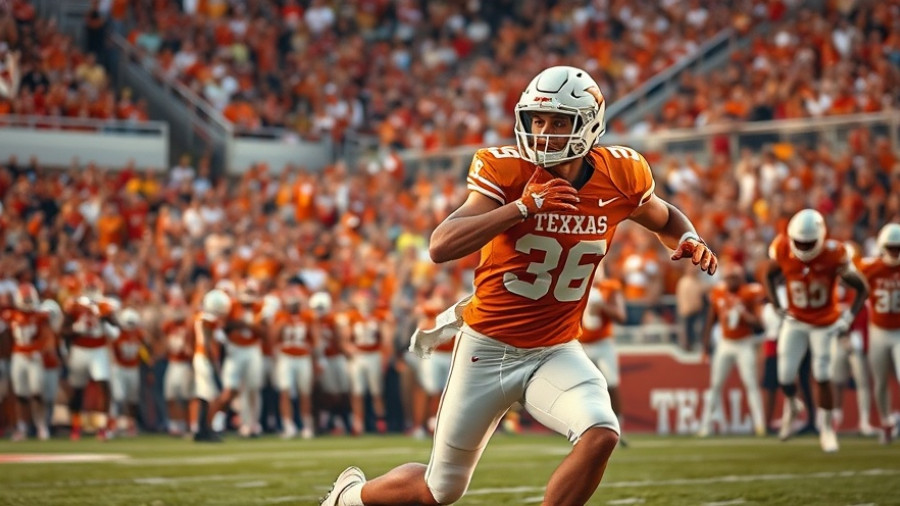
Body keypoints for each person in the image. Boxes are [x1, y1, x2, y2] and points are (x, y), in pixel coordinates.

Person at [321, 65, 717, 506]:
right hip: (486, 348)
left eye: (560, 121)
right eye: (538, 120)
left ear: (590, 123)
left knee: (601, 433)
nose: (545, 133)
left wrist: (687, 238)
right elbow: (440, 245)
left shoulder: (622, 175)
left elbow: (664, 218)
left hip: (555, 349)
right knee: (441, 490)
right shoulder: (509, 171)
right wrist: (522, 208)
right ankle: (349, 498)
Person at [762, 209, 869, 453]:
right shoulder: (782, 248)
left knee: (822, 375)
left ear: (820, 238)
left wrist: (848, 317)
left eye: (808, 243)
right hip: (796, 319)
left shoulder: (835, 254)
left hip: (825, 322)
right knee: (785, 376)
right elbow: (768, 275)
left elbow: (862, 288)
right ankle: (792, 405)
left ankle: (828, 428)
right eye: (799, 242)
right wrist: (777, 306)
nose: (803, 247)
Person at [697, 264, 766, 437]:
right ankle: (706, 426)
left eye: (733, 278)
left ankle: (760, 425)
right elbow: (711, 319)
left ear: (741, 278)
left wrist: (744, 314)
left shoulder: (749, 293)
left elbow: (759, 325)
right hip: (725, 343)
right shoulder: (719, 292)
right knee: (715, 385)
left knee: (751, 384)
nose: (730, 282)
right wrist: (705, 346)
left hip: (744, 342)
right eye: (728, 278)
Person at [859, 223, 900, 443]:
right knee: (881, 381)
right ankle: (886, 422)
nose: (895, 252)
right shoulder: (871, 267)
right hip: (878, 331)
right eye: (891, 247)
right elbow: (854, 288)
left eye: (898, 248)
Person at [578, 266, 627, 443]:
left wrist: (602, 306)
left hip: (603, 343)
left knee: (612, 384)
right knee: (578, 386)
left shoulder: (610, 287)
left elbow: (621, 316)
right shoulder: (577, 284)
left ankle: (619, 426)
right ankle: (580, 427)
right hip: (580, 343)